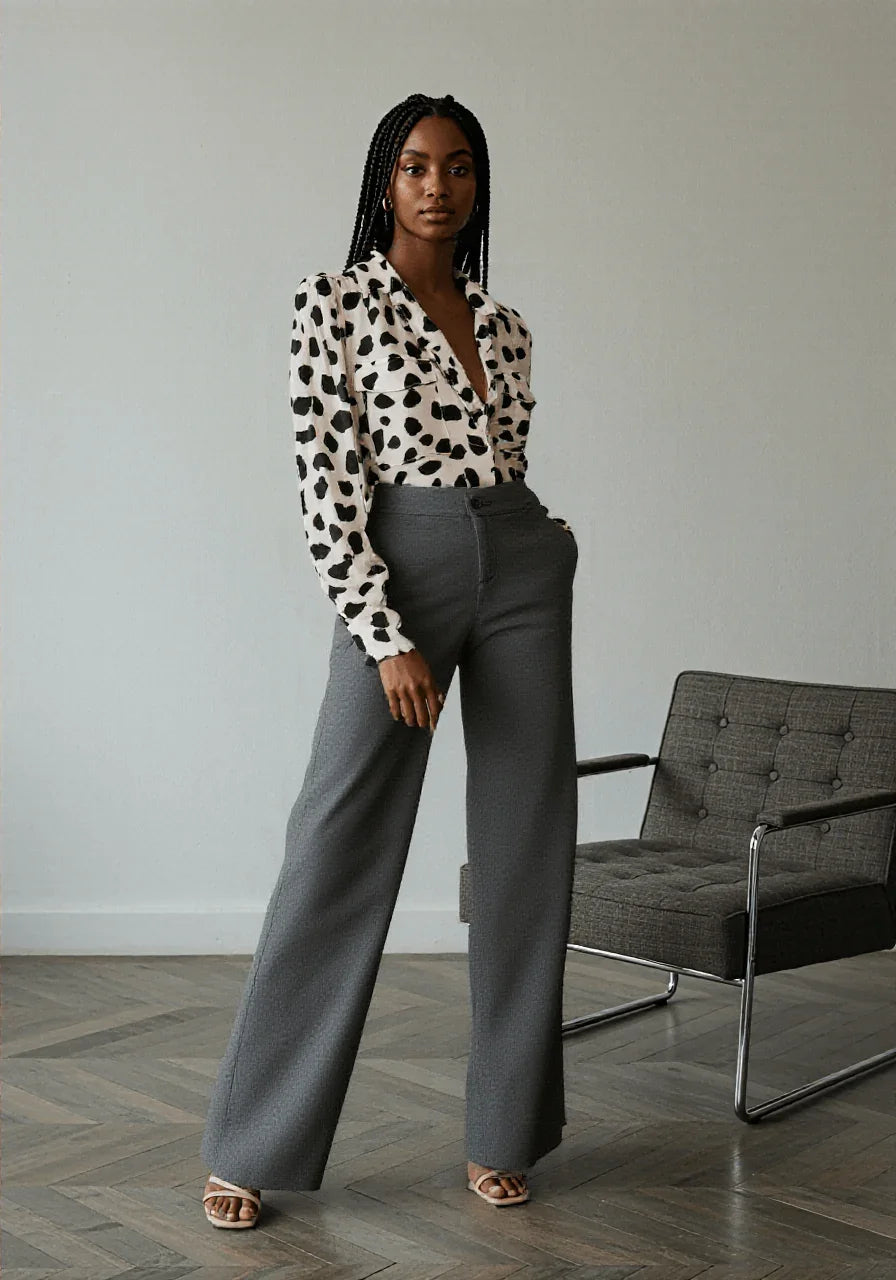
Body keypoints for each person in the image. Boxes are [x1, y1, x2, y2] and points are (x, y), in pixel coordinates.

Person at [200, 91, 579, 1227]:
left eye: (456, 168)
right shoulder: (335, 303)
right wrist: (383, 631)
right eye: (414, 165)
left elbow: (501, 453)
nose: (435, 186)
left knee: (525, 843)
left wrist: (545, 538)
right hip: (397, 563)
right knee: (337, 842)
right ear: (384, 182)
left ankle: (505, 1128)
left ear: (475, 187)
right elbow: (326, 486)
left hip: (515, 564)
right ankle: (251, 1140)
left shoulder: (502, 323)